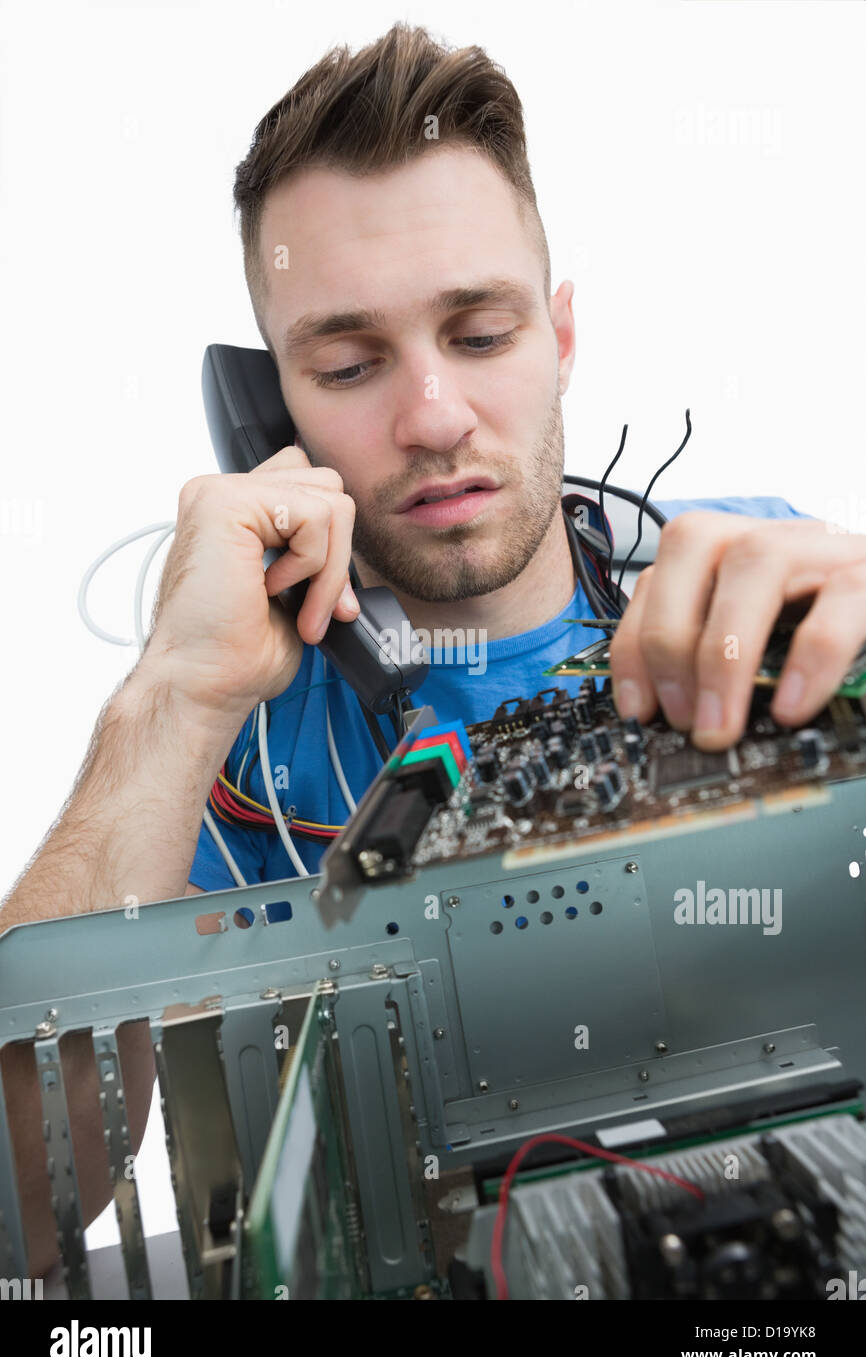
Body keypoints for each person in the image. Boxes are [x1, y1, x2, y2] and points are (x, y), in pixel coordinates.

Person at [0, 21, 861, 1278]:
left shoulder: (770, 583)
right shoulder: (232, 753)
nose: (432, 416)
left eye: (480, 334)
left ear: (560, 336)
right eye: (347, 363)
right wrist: (173, 693)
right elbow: (18, 1206)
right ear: (268, 412)